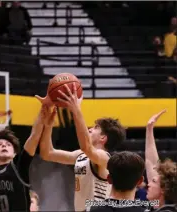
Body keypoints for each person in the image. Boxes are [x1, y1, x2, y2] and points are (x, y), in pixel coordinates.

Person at [36, 83, 126, 211]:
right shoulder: (82, 155)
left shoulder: (104, 158)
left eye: (95, 128)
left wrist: (76, 110)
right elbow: (47, 153)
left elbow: (87, 147)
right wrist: (48, 126)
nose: (90, 129)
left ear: (103, 138)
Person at [145, 110, 177, 212]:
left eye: (153, 182)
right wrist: (149, 129)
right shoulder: (157, 207)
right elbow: (151, 162)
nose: (148, 184)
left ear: (163, 189)